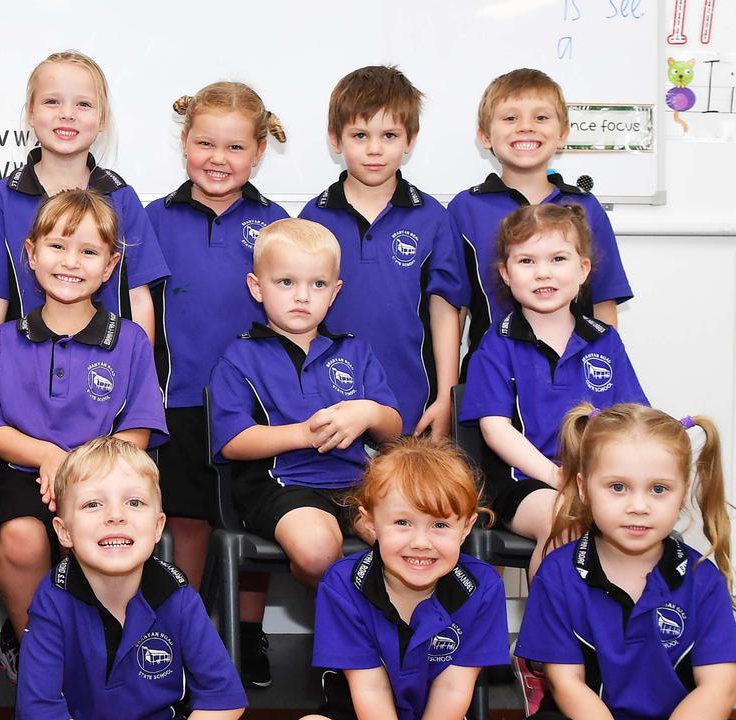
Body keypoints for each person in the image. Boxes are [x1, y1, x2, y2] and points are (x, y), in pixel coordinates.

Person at [0, 188, 167, 682]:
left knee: (104, 534)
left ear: (110, 265)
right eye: (57, 247)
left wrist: (82, 470)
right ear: (31, 254)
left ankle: (105, 655)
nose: (71, 262)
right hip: (23, 475)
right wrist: (48, 455)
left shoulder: (131, 340)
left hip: (104, 480)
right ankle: (40, 657)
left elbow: (139, 429)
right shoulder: (3, 341)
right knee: (21, 539)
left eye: (89, 251)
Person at [209, 218, 401, 684]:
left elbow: (394, 430)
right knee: (318, 551)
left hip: (355, 487)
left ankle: (395, 648)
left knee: (405, 541)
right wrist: (302, 434)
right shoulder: (239, 357)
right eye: (286, 282)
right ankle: (351, 645)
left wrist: (367, 414)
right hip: (282, 487)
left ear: (334, 292)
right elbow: (233, 443)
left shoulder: (354, 352)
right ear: (257, 287)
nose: (301, 296)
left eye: (316, 284)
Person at [146, 81, 289, 597]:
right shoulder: (150, 218)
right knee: (187, 520)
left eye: (235, 147)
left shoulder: (277, 224)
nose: (218, 159)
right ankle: (187, 631)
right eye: (205, 143)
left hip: (257, 409)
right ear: (184, 141)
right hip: (177, 398)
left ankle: (246, 636)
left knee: (251, 518)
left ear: (259, 150)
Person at [459, 204, 647, 577]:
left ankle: (615, 630)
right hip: (524, 485)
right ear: (506, 274)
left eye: (558, 258)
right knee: (562, 520)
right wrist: (558, 479)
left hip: (597, 482)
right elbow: (495, 429)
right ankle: (549, 634)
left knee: (640, 525)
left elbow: (632, 424)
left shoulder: (605, 341)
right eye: (526, 261)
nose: (543, 272)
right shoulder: (496, 345)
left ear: (583, 270)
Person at [516, 403, 736, 719]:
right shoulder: (558, 575)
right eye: (618, 487)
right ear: (584, 488)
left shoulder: (703, 579)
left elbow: (719, 688)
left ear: (683, 492)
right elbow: (567, 684)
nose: (638, 506)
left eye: (659, 489)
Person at [0, 50, 169, 354]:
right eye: (52, 101)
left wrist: (140, 379)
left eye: (83, 104)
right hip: (24, 377)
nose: (67, 113)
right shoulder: (1, 199)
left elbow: (138, 297)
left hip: (105, 378)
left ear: (102, 118)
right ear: (30, 112)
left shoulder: (122, 199)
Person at [17, 437, 246, 720]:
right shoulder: (52, 600)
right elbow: (38, 711)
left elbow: (223, 699)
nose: (115, 516)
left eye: (134, 502)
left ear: (158, 526)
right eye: (93, 504)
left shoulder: (178, 596)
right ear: (64, 532)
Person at [299, 66, 465, 439]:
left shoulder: (433, 218)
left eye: (389, 135)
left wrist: (445, 397)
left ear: (410, 140)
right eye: (360, 135)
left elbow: (444, 311)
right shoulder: (314, 216)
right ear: (335, 139)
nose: (374, 149)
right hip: (329, 406)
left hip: (414, 405)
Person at [304, 436, 509, 720]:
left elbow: (452, 688)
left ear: (466, 527)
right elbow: (371, 689)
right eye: (403, 523)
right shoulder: (343, 585)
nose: (421, 542)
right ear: (371, 522)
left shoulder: (483, 588)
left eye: (440, 525)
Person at [449, 68, 632, 364]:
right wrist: (447, 389)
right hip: (490, 376)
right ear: (485, 136)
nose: (526, 127)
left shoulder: (586, 207)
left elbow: (603, 302)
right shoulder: (465, 208)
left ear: (562, 135)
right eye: (510, 118)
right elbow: (453, 307)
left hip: (572, 379)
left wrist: (605, 373)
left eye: (541, 117)